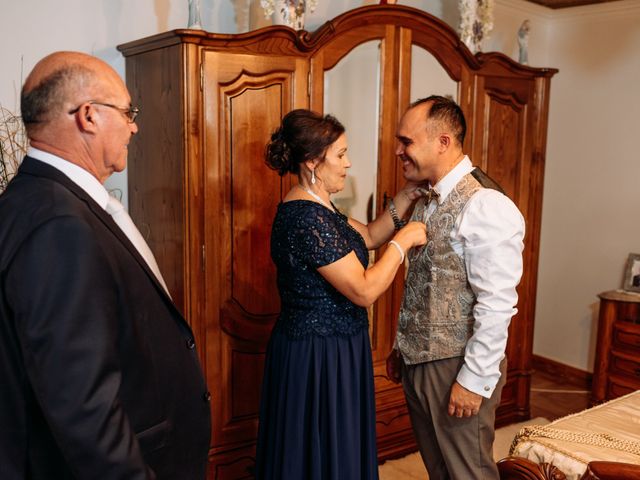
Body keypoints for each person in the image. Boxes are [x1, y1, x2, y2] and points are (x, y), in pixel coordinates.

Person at [0, 51, 211, 479]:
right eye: (128, 111)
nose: (134, 125)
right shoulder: (58, 225)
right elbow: (82, 404)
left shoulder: (35, 201)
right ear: (89, 116)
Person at [255, 109, 427, 479]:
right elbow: (364, 290)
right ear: (314, 161)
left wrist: (406, 196)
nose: (348, 164)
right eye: (341, 155)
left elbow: (367, 235)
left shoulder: (321, 208)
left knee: (335, 444)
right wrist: (405, 240)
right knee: (317, 449)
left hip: (336, 346)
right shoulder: (305, 217)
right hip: (318, 353)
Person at [386, 95, 525, 479]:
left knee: (470, 472)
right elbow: (428, 282)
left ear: (442, 142)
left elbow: (496, 303)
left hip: (458, 367)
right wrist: (404, 348)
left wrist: (475, 379)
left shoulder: (486, 205)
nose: (399, 151)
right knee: (440, 471)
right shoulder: (426, 198)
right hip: (420, 363)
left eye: (406, 142)